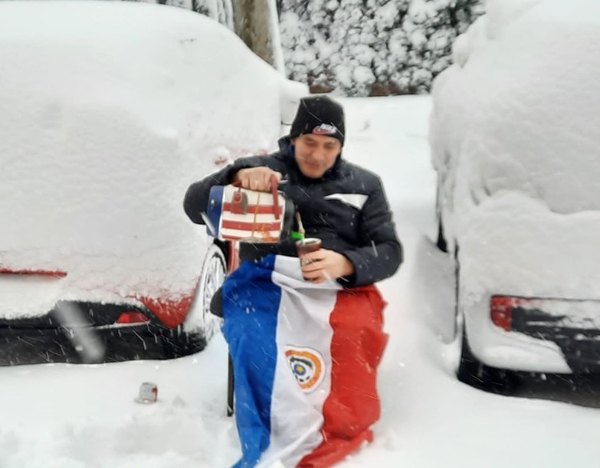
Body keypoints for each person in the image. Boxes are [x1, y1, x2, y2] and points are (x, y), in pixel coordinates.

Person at [184, 95, 402, 467]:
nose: (318, 155)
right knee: (254, 332)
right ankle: (272, 428)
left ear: (341, 146)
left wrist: (346, 263)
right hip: (266, 282)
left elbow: (389, 251)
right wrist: (234, 178)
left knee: (352, 331)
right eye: (309, 143)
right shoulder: (262, 170)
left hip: (338, 289)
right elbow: (193, 205)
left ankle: (335, 425)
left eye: (329, 146)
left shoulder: (365, 185)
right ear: (294, 139)